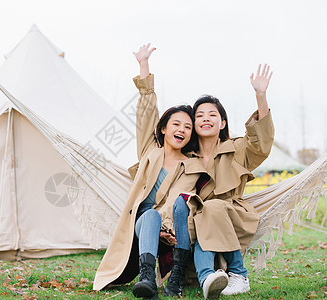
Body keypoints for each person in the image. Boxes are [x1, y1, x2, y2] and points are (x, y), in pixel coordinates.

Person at [93, 44, 204, 299]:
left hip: (173, 224)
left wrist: (167, 229)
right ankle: (146, 279)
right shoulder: (149, 151)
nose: (182, 129)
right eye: (176, 124)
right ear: (163, 129)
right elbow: (145, 112)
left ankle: (164, 279)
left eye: (188, 127)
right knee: (151, 216)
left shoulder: (191, 164)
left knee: (168, 211)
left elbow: (181, 201)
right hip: (143, 221)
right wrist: (144, 66)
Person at [187, 64, 275, 299]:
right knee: (204, 212)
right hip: (196, 223)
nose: (206, 119)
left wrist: (260, 96)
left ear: (222, 123)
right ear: (193, 124)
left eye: (212, 115)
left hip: (234, 217)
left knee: (213, 207)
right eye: (200, 115)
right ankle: (207, 279)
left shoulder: (236, 148)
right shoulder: (186, 157)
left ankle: (238, 273)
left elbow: (261, 145)